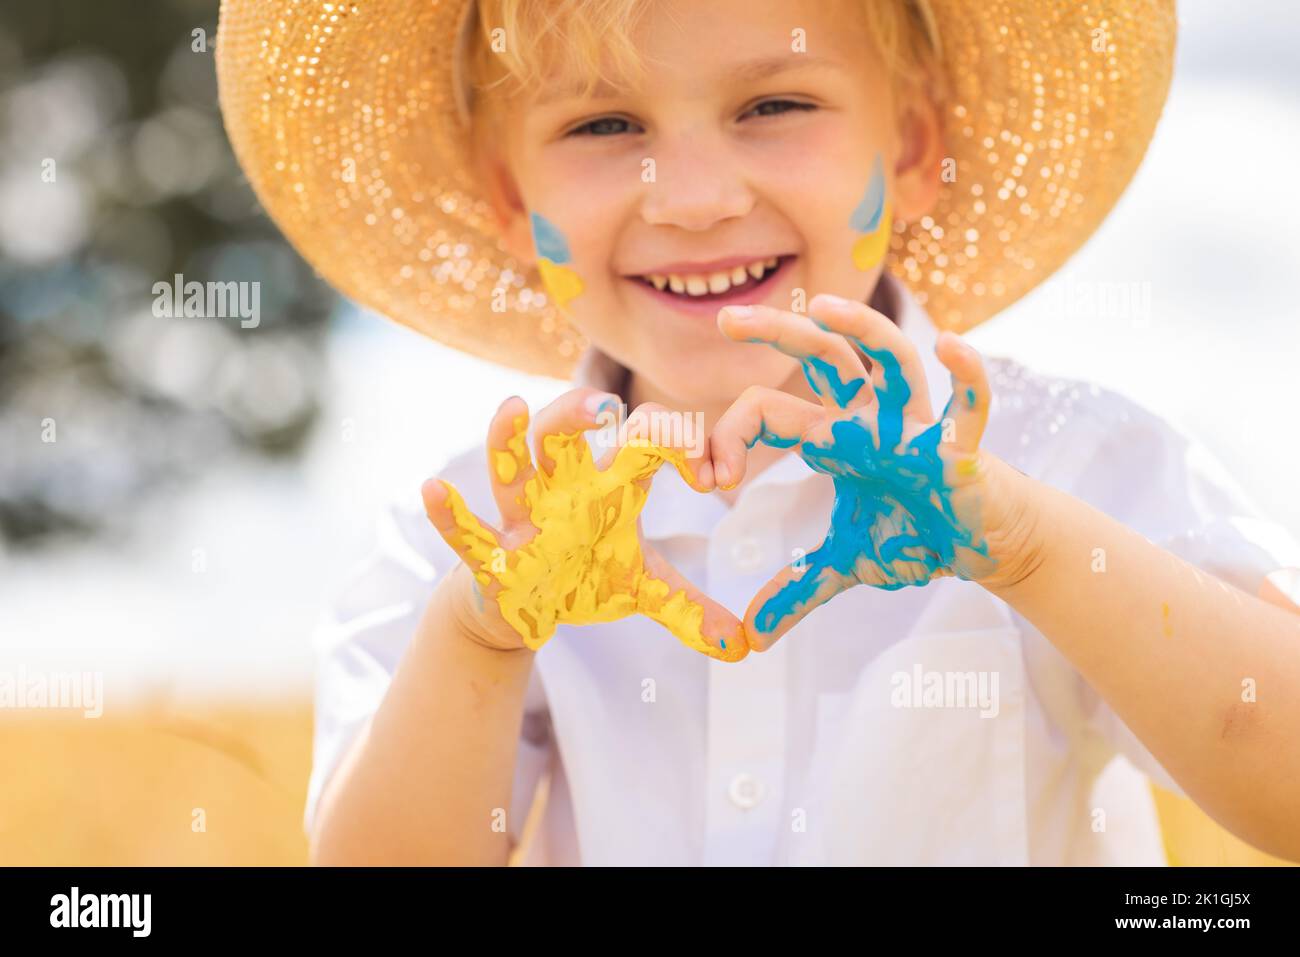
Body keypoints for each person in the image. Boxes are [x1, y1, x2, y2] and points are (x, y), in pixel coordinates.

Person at [215, 0, 1300, 865]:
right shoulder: (472, 542)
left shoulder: (1061, 461)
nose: (690, 196)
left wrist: (1030, 550)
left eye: (774, 106)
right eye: (603, 126)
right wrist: (483, 638)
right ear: (509, 196)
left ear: (913, 146)